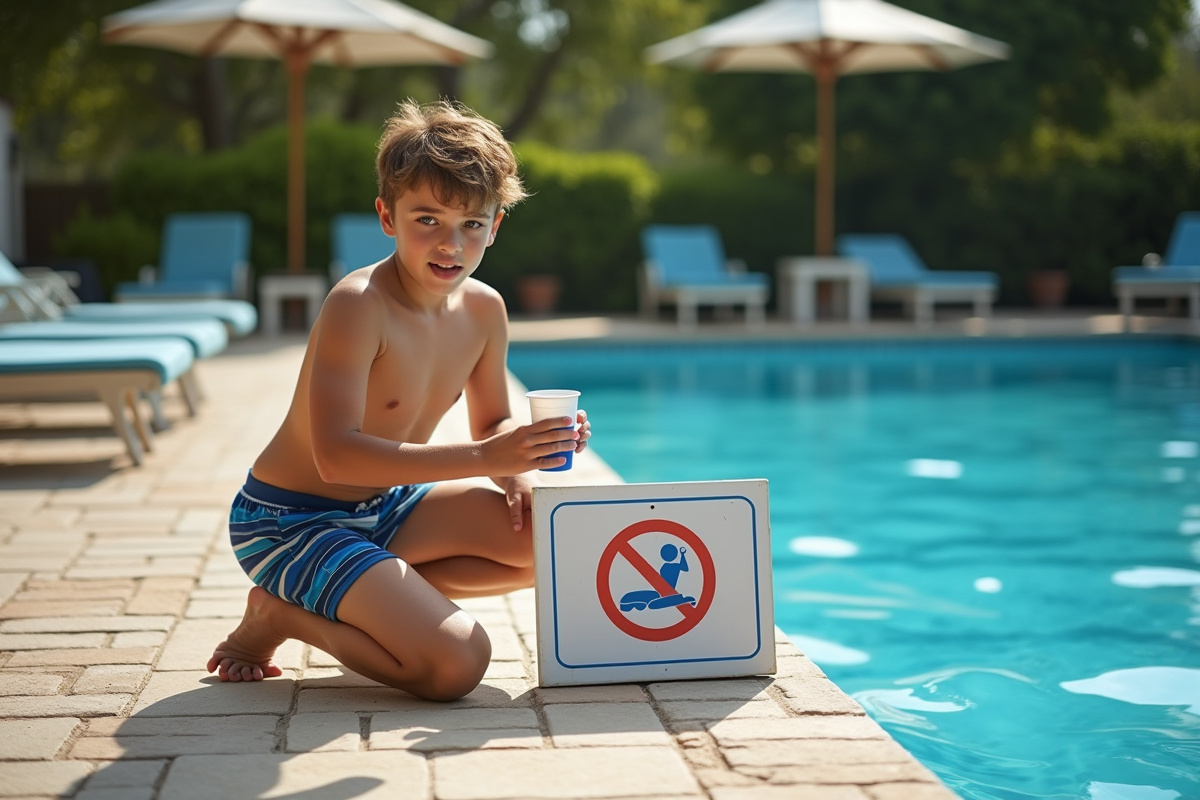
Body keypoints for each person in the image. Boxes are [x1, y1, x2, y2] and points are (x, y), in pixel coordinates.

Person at [206, 100, 590, 701]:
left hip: (386, 507)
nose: (451, 243)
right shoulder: (359, 305)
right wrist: (490, 458)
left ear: (495, 226)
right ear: (387, 216)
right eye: (427, 219)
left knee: (553, 537)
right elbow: (336, 457)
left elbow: (492, 419)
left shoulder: (485, 309)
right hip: (289, 521)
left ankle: (378, 595)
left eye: (471, 223)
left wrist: (520, 468)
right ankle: (278, 616)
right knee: (456, 664)